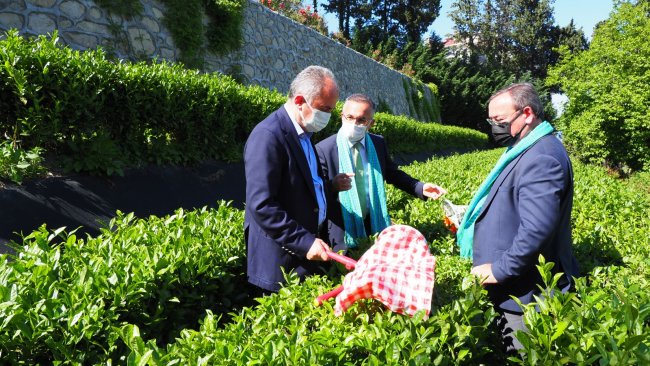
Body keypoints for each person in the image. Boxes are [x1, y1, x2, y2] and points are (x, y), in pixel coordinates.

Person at [456, 83, 579, 351]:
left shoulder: (542, 157)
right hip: (514, 288)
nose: (494, 127)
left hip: (525, 293)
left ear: (527, 113)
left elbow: (537, 229)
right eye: (491, 120)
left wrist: (500, 270)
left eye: (499, 120)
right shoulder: (525, 147)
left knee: (523, 355)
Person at [244, 65, 338, 295]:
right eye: (325, 109)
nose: (328, 116)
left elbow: (305, 187)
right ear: (299, 101)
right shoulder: (268, 136)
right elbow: (262, 204)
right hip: (281, 264)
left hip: (305, 255)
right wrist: (304, 242)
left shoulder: (305, 135)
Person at [315, 94, 446, 251]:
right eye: (349, 117)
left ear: (371, 123)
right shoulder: (324, 149)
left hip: (374, 223)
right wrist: (333, 185)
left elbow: (392, 173)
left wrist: (420, 187)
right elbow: (315, 190)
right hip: (342, 230)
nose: (354, 124)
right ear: (341, 116)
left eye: (361, 120)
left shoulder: (377, 143)